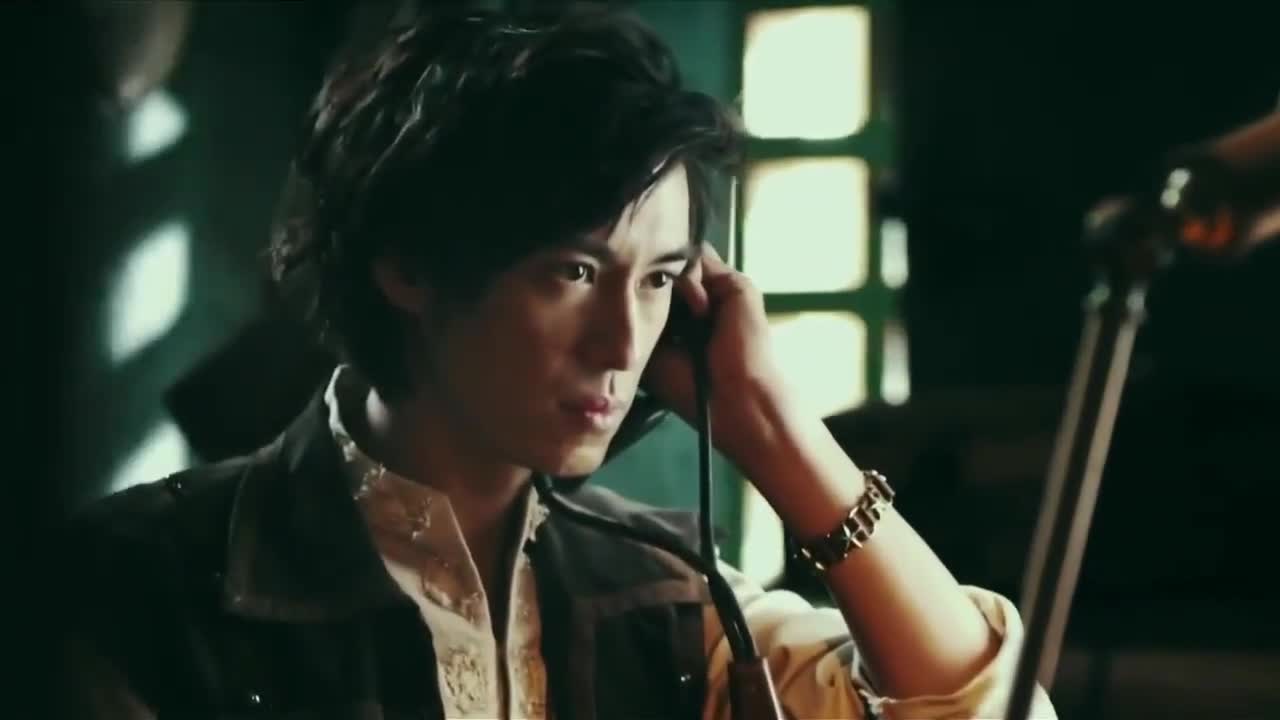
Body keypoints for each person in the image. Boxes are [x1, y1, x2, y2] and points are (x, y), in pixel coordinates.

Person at [56, 7, 1058, 720]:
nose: (624, 342)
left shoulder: (663, 598)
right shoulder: (139, 583)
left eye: (658, 279)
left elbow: (982, 710)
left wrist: (774, 429)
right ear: (409, 264)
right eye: (574, 272)